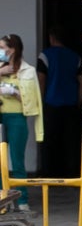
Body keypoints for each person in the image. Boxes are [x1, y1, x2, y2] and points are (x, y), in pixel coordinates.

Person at [0, 34, 43, 209]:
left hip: (17, 117)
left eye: (3, 48)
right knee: (0, 161)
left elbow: (34, 99)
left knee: (17, 161)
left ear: (13, 49)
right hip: (1, 118)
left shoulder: (28, 71)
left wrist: (14, 92)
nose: (1, 52)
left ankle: (22, 201)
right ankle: (3, 201)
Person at [36, 30, 82, 178]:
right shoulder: (75, 56)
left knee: (49, 139)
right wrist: (78, 100)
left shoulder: (45, 55)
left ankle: (48, 173)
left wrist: (41, 100)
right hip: (70, 103)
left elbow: (41, 79)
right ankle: (71, 172)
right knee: (70, 140)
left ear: (51, 38)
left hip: (51, 102)